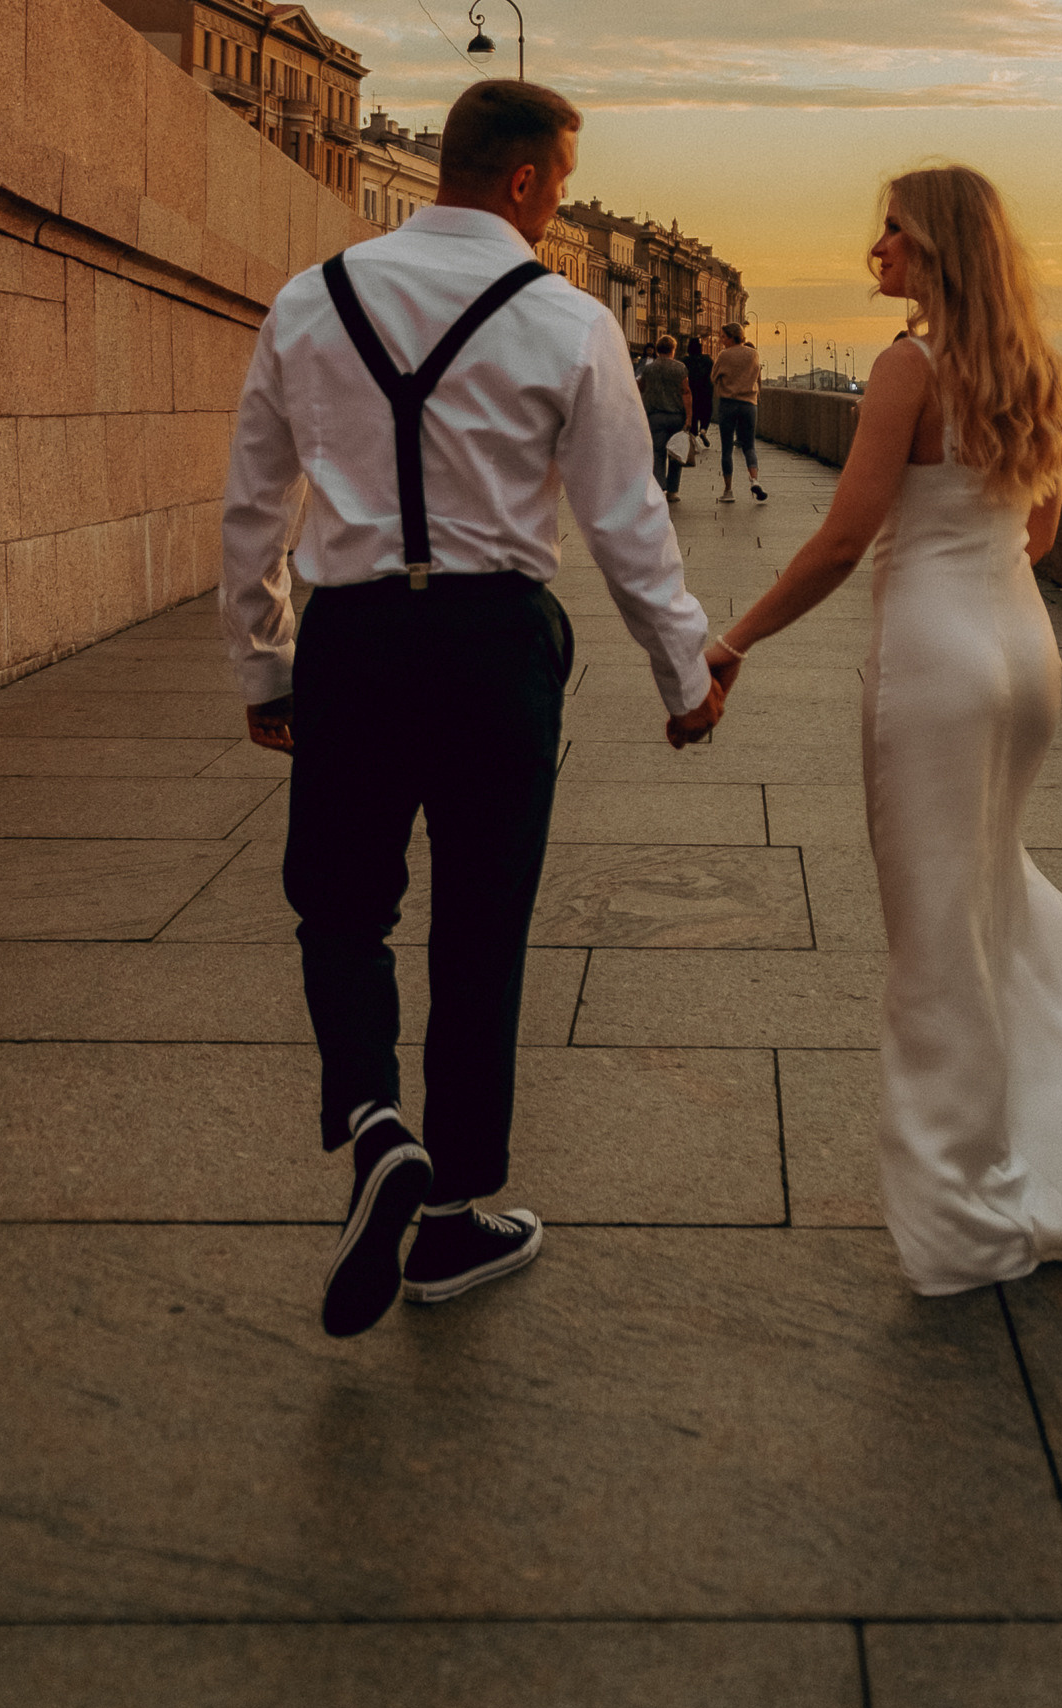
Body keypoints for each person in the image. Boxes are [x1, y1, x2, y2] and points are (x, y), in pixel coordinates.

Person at [220, 78, 722, 1341]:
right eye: (558, 181)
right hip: (496, 642)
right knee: (480, 927)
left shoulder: (307, 300)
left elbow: (251, 507)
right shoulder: (565, 319)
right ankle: (448, 1219)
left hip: (354, 640)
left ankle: (374, 1122)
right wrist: (682, 673)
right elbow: (624, 519)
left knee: (336, 904)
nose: (557, 204)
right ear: (521, 181)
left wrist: (265, 663)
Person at [694, 164, 1062, 1294]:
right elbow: (1035, 541)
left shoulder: (908, 367)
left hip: (933, 665)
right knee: (989, 902)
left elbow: (842, 542)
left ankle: (969, 1226)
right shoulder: (1033, 369)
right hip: (1021, 655)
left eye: (889, 230)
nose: (872, 249)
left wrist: (729, 641)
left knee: (938, 938)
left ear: (933, 246)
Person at [711, 322, 767, 505]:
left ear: (732, 337)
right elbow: (757, 377)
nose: (721, 340)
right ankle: (754, 479)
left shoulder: (724, 355)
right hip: (749, 404)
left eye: (724, 337)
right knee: (749, 445)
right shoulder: (754, 354)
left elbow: (713, 377)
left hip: (728, 403)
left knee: (727, 448)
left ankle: (728, 491)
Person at [640, 333, 692, 501]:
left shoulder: (649, 369)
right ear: (673, 349)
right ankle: (673, 491)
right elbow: (686, 393)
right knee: (676, 454)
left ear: (657, 349)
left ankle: (659, 488)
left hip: (655, 416)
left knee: (658, 453)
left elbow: (639, 387)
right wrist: (689, 417)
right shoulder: (680, 368)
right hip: (676, 416)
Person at [683, 333, 714, 441]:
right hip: (706, 390)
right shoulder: (708, 360)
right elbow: (712, 374)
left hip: (691, 390)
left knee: (693, 413)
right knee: (706, 411)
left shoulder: (685, 361)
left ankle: (693, 434)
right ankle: (703, 429)